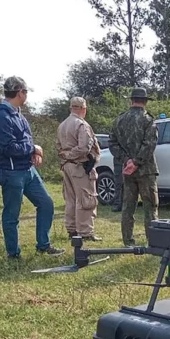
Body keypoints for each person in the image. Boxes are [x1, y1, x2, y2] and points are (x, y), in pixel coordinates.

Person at [0, 76, 64, 258]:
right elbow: (7, 147)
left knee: (46, 204)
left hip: (28, 170)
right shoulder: (1, 117)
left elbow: (26, 140)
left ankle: (43, 245)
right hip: (11, 172)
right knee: (12, 214)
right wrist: (34, 148)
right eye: (26, 91)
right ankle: (13, 254)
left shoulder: (18, 114)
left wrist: (33, 152)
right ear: (20, 92)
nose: (27, 95)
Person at [109, 87, 159, 247]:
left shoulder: (119, 120)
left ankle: (128, 241)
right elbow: (150, 144)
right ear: (144, 102)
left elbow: (112, 143)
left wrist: (127, 161)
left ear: (131, 101)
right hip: (146, 171)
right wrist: (136, 162)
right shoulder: (148, 120)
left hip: (128, 171)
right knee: (150, 207)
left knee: (128, 207)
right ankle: (153, 241)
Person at [56, 97, 102, 241]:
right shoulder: (81, 125)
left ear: (71, 108)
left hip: (67, 166)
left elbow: (58, 146)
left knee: (71, 199)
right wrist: (72, 155)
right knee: (86, 199)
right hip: (80, 165)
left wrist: (66, 156)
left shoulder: (62, 125)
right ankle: (85, 232)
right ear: (83, 108)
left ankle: (72, 229)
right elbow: (84, 147)